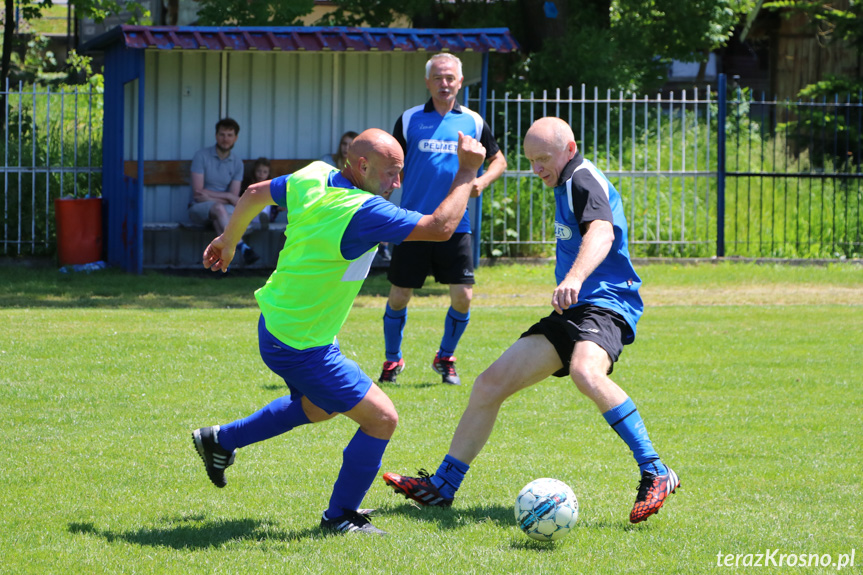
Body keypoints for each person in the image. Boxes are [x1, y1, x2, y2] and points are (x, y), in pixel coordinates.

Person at [382, 117, 680, 525]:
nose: (537, 167)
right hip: (573, 311)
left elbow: (603, 233)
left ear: (569, 149)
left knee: (585, 372)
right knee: (490, 383)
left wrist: (574, 278)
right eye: (531, 160)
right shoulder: (563, 182)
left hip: (607, 304)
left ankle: (654, 469)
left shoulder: (582, 178)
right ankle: (442, 486)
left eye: (544, 158)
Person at [192, 128, 487, 536]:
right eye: (390, 174)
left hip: (280, 324)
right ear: (362, 166)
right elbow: (440, 227)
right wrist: (467, 171)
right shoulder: (362, 210)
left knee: (318, 407)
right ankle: (341, 516)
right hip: (301, 344)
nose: (397, 184)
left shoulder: (314, 175)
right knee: (382, 419)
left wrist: (228, 239)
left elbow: (257, 192)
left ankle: (220, 440)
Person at [380, 53, 508, 386]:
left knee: (463, 296)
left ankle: (446, 357)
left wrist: (481, 181)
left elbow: (499, 160)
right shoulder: (408, 120)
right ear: (427, 82)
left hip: (457, 223)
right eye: (437, 77)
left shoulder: (474, 122)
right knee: (399, 295)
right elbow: (391, 164)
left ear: (460, 82)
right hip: (413, 222)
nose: (444, 83)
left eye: (450, 77)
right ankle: (392, 360)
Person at [189, 118, 260, 266]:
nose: (225, 139)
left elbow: (233, 197)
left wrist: (215, 196)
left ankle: (221, 265)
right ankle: (242, 247)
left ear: (235, 138)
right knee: (220, 210)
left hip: (221, 211)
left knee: (220, 217)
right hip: (198, 208)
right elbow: (198, 193)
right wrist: (226, 197)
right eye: (222, 134)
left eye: (229, 135)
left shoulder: (237, 163)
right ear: (216, 136)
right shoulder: (201, 156)